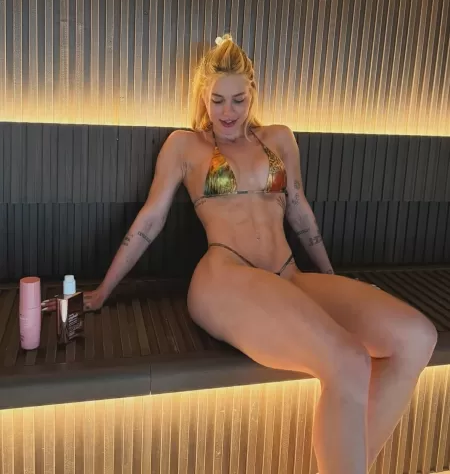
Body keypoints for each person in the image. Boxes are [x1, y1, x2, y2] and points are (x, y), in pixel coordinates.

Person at [42, 33, 437, 473]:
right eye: (217, 101)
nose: (228, 112)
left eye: (238, 100)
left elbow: (300, 213)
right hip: (225, 276)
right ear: (203, 97)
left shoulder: (280, 139)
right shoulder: (185, 146)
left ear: (253, 93)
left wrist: (332, 277)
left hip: (287, 274)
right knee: (348, 361)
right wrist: (102, 292)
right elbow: (149, 222)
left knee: (416, 338)